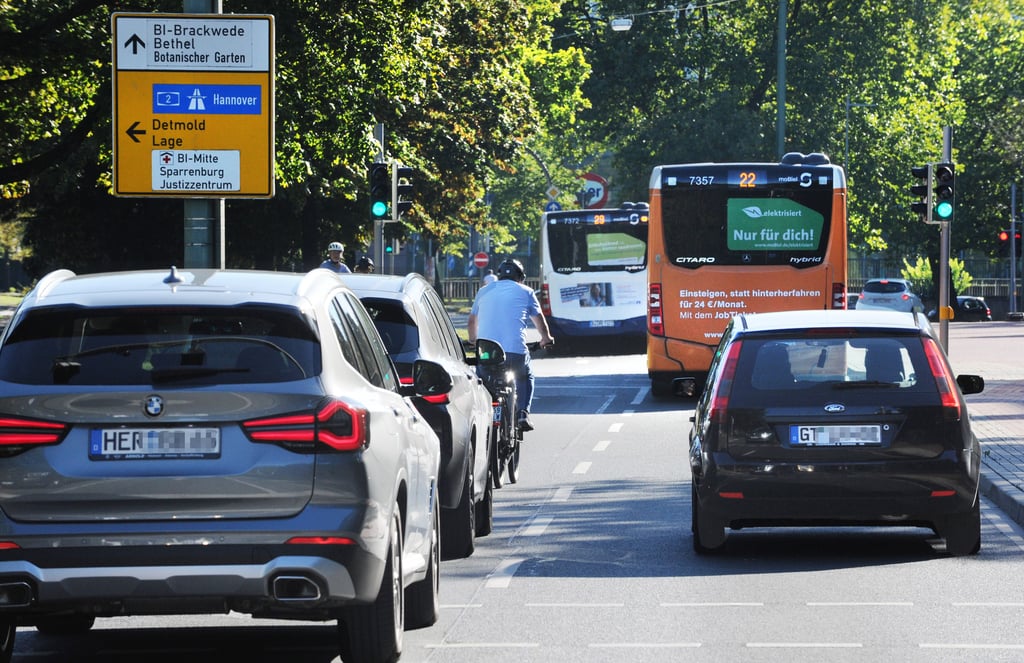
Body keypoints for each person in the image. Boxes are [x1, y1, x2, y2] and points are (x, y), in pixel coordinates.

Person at [467, 258, 554, 432]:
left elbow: (471, 321)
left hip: (487, 351)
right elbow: (539, 320)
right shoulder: (526, 292)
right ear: (520, 276)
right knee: (525, 375)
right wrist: (546, 338)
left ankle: (485, 413)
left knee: (483, 380)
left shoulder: (483, 291)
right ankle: (522, 413)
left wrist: (473, 340)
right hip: (515, 352)